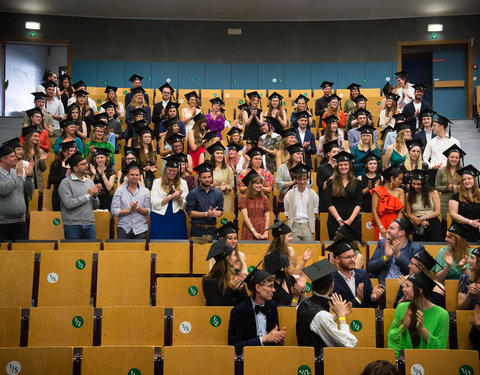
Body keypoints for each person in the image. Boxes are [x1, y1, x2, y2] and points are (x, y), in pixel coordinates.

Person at [296, 259, 358, 355]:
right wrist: (341, 316)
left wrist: (336, 315)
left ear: (312, 285)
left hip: (305, 358)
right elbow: (348, 344)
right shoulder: (322, 316)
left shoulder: (303, 304)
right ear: (332, 285)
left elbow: (317, 326)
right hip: (320, 364)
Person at [387, 271, 449, 358]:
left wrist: (422, 329)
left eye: (407, 286)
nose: (403, 289)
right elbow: (391, 338)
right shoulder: (401, 307)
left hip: (428, 364)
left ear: (419, 291)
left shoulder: (442, 314)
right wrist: (403, 327)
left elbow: (440, 348)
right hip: (404, 362)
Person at [228, 266, 285, 355]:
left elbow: (274, 337)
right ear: (258, 288)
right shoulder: (239, 310)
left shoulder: (272, 306)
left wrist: (278, 337)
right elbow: (235, 346)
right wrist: (263, 339)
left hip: (270, 355)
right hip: (248, 358)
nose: (274, 290)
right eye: (270, 286)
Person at [331, 238, 384, 308]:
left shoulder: (363, 274)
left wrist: (373, 297)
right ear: (337, 259)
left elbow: (373, 305)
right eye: (348, 257)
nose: (352, 260)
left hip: (364, 317)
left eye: (353, 256)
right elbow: (338, 309)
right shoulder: (332, 280)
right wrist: (358, 299)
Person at [58, 153, 101, 239]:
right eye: (83, 164)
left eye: (86, 163)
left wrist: (95, 196)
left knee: (92, 251)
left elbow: (96, 206)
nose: (87, 166)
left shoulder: (89, 182)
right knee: (75, 252)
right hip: (73, 226)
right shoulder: (65, 183)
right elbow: (69, 204)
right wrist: (88, 195)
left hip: (90, 225)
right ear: (75, 168)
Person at [325, 151, 362, 240]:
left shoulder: (357, 183)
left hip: (352, 220)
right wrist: (339, 220)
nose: (343, 167)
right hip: (335, 221)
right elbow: (329, 204)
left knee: (353, 248)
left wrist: (349, 221)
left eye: (346, 165)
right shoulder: (330, 182)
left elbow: (359, 203)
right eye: (341, 165)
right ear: (337, 166)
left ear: (349, 166)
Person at [0, 145, 34, 241]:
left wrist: (29, 178)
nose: (16, 158)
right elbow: (3, 190)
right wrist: (19, 176)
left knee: (21, 252)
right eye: (12, 156)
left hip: (20, 221)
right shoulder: (17, 174)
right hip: (3, 223)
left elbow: (28, 193)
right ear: (3, 159)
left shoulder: (15, 173)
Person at [150, 156, 188, 239]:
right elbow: (154, 203)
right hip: (159, 217)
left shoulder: (183, 183)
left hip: (177, 218)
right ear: (165, 170)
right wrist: (171, 197)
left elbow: (185, 206)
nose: (172, 173)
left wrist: (178, 198)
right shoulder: (157, 182)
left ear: (177, 171)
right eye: (169, 170)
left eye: (174, 171)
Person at [110, 162, 151, 239]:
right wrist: (129, 210)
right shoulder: (119, 191)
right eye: (132, 175)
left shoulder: (145, 191)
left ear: (139, 176)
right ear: (127, 176)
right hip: (123, 228)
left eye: (137, 175)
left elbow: (148, 211)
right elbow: (114, 211)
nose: (134, 177)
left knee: (140, 251)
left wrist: (137, 208)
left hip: (140, 229)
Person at [203, 237, 248, 306]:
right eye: (234, 255)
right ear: (227, 259)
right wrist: (230, 289)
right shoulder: (209, 281)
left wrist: (241, 290)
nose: (236, 258)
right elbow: (215, 307)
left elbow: (245, 304)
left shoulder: (236, 273)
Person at [186, 162, 224, 242]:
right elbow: (190, 212)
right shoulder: (193, 193)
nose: (207, 180)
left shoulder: (218, 194)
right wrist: (207, 214)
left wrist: (217, 213)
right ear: (199, 178)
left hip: (213, 229)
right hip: (198, 229)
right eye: (204, 177)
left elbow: (220, 210)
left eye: (209, 177)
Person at [405, 169, 443, 242]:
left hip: (432, 220)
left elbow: (437, 212)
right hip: (418, 222)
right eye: (413, 184)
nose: (416, 186)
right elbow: (409, 213)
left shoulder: (433, 193)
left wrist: (423, 218)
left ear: (424, 183)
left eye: (418, 184)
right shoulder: (408, 195)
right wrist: (418, 220)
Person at [284, 163, 319, 241]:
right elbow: (287, 213)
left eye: (305, 179)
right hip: (294, 226)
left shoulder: (313, 194)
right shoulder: (289, 195)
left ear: (307, 179)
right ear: (296, 179)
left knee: (308, 249)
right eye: (300, 179)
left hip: (308, 226)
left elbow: (315, 213)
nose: (302, 182)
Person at [371, 166, 405, 240]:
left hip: (396, 223)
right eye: (399, 179)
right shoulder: (377, 190)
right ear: (392, 178)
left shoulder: (400, 192)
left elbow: (401, 211)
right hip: (381, 224)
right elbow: (374, 211)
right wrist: (381, 227)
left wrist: (396, 226)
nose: (401, 181)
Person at [448, 165, 480, 242]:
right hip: (461, 229)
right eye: (464, 180)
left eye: (469, 178)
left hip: (477, 228)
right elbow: (453, 214)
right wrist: (470, 222)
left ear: (474, 180)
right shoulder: (456, 196)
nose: (466, 181)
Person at [238, 170, 270, 240]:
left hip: (262, 227)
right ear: (250, 184)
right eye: (257, 183)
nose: (260, 185)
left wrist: (266, 232)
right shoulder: (244, 197)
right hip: (249, 228)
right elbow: (245, 217)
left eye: (261, 183)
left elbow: (267, 216)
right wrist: (254, 231)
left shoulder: (264, 198)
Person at [435, 144, 464, 220]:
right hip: (444, 201)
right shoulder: (442, 170)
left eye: (456, 158)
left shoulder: (463, 170)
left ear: (459, 159)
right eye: (452, 157)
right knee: (445, 221)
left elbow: (467, 186)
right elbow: (437, 187)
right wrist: (447, 187)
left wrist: (457, 187)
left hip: (460, 200)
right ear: (448, 158)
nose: (454, 159)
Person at [48, 140, 77, 211]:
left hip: (73, 195)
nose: (73, 153)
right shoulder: (56, 164)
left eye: (74, 151)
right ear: (64, 152)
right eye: (71, 151)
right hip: (59, 194)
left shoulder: (77, 164)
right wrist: (65, 176)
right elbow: (51, 180)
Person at [21, 125, 47, 193]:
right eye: (35, 136)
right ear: (29, 137)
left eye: (38, 136)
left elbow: (43, 169)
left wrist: (41, 160)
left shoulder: (40, 151)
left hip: (38, 182)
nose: (37, 138)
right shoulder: (22, 151)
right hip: (26, 181)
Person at [316, 140, 340, 212]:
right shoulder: (321, 168)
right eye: (333, 152)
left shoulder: (342, 167)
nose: (336, 154)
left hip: (339, 200)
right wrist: (332, 177)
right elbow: (321, 187)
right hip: (326, 200)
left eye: (338, 152)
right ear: (328, 153)